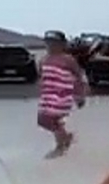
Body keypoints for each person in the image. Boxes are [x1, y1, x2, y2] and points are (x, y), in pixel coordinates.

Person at [37, 30, 88, 159]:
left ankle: (61, 145)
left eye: (54, 43)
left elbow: (79, 77)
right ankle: (65, 138)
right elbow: (43, 77)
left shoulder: (67, 60)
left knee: (49, 118)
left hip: (62, 96)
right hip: (48, 95)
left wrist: (80, 95)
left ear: (62, 45)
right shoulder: (44, 60)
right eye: (48, 43)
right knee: (44, 120)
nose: (51, 46)